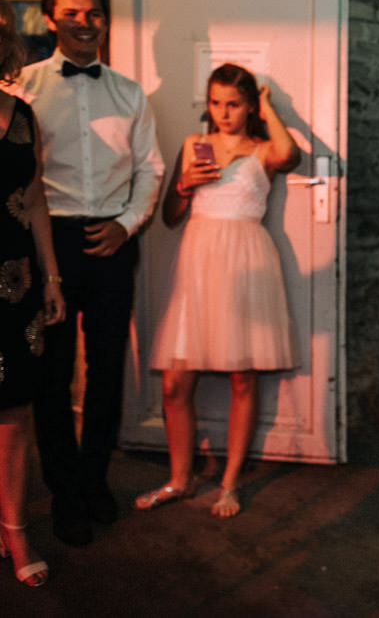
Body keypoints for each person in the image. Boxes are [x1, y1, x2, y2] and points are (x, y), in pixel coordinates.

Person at [16, 0, 165, 546]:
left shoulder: (129, 93)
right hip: (45, 246)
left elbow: (151, 168)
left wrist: (126, 227)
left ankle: (95, 481)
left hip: (108, 247)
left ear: (105, 19)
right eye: (72, 13)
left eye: (93, 13)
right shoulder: (22, 87)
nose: (84, 23)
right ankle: (64, 494)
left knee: (106, 371)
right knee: (51, 377)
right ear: (51, 18)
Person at [134, 63, 300, 518]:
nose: (223, 113)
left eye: (233, 104)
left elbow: (291, 154)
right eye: (215, 103)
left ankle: (229, 483)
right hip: (198, 262)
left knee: (243, 377)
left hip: (246, 264)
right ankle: (179, 479)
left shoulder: (263, 150)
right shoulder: (195, 145)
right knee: (174, 384)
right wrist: (185, 184)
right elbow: (169, 215)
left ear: (248, 106)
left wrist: (268, 105)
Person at [0, 0, 65, 588]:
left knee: (16, 410)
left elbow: (37, 198)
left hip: (15, 282)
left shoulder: (22, 114)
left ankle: (15, 529)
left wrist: (49, 276)